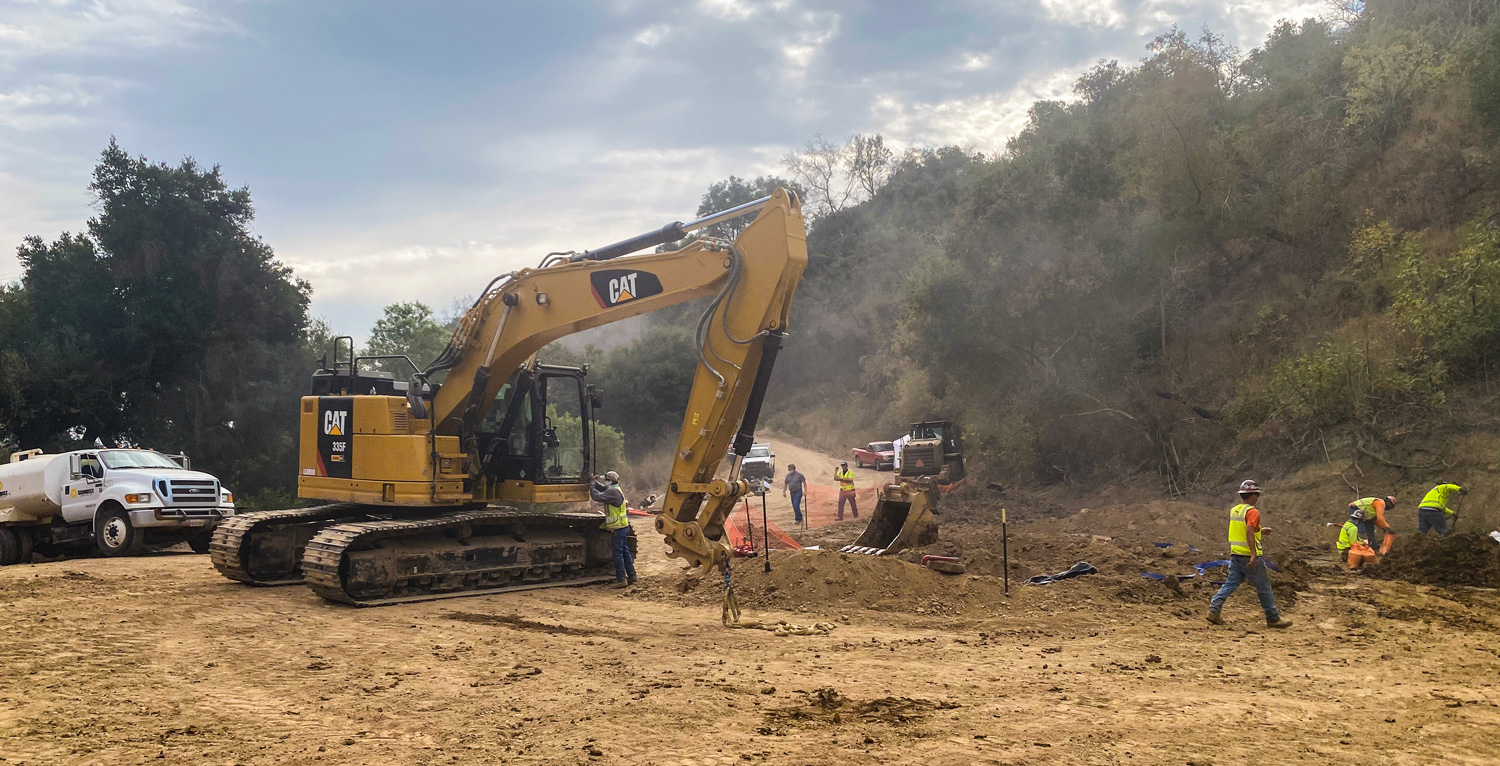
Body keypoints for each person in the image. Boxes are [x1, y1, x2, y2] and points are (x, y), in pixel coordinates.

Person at [1207, 480, 1293, 629]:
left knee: (1230, 584)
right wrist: (1254, 554)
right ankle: (1273, 618)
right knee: (1264, 587)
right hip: (1249, 557)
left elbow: (1245, 529)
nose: (1257, 498)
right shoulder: (1253, 511)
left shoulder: (1235, 510)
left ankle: (1214, 609)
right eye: (1257, 495)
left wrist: (1260, 530)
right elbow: (1248, 532)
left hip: (1236, 555)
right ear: (1252, 495)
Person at [591, 470, 635, 588]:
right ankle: (632, 575)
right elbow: (601, 488)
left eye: (606, 479)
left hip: (617, 527)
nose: (605, 481)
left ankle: (621, 579)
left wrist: (591, 484)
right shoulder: (615, 489)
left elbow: (596, 496)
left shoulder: (612, 492)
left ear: (610, 480)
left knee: (618, 554)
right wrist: (594, 482)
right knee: (625, 551)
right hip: (623, 526)